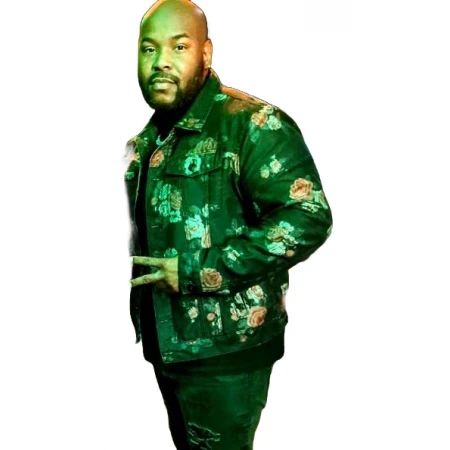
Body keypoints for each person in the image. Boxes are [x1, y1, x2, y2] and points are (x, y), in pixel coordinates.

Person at [123, 0, 333, 448]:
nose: (160, 62)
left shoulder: (251, 125)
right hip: (169, 345)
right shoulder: (145, 143)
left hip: (227, 351)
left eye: (179, 46)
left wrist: (197, 270)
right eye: (148, 48)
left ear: (205, 53)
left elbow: (308, 218)